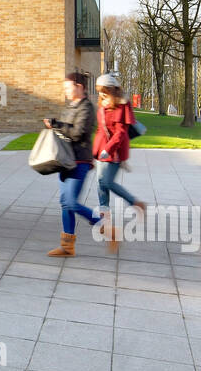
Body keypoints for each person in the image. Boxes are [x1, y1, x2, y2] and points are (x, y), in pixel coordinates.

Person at [42, 72, 101, 257]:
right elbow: (65, 129)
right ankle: (67, 247)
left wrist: (57, 125)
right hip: (65, 160)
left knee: (70, 202)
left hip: (79, 161)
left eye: (68, 87)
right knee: (65, 204)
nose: (65, 91)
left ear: (79, 86)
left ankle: (100, 222)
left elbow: (77, 133)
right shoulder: (70, 107)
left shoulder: (87, 108)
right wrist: (55, 124)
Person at [94, 73, 147, 253]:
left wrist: (107, 149)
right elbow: (101, 130)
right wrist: (95, 152)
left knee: (107, 182)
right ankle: (106, 226)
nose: (101, 96)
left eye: (104, 92)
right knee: (101, 187)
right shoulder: (103, 104)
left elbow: (120, 134)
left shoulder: (122, 106)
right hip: (102, 151)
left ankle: (135, 202)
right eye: (99, 92)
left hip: (114, 152)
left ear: (111, 90)